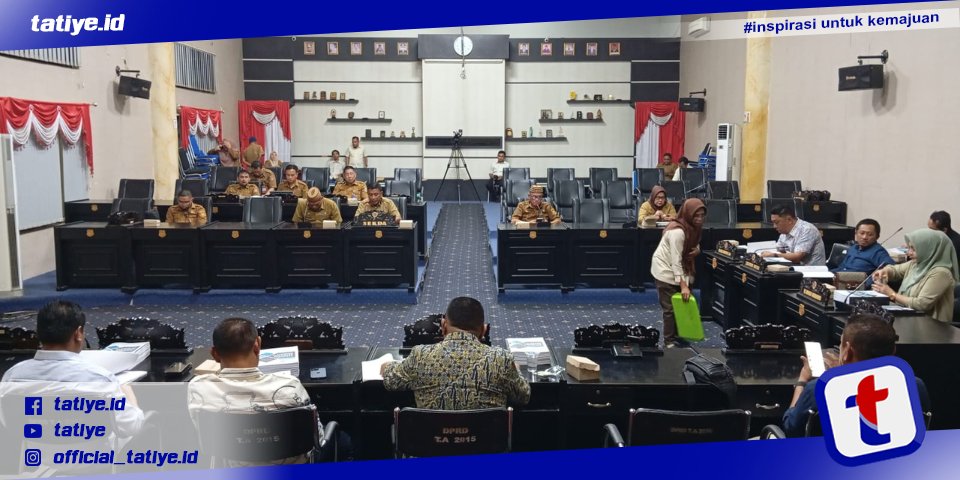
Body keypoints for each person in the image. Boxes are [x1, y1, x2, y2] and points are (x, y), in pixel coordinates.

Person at [1, 301, 145, 439]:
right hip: (95, 454)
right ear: (78, 333)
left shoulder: (11, 377)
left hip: (35, 453)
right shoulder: (100, 380)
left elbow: (8, 423)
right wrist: (129, 395)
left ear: (38, 333)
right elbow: (130, 427)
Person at [187, 318, 312, 466]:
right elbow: (315, 436)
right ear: (257, 346)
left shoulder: (199, 387)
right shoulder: (290, 386)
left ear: (214, 354)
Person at [782, 313, 930, 437]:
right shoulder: (915, 385)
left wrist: (802, 381)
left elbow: (790, 429)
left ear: (847, 351)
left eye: (840, 344)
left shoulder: (818, 389)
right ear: (893, 351)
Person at [381, 297, 530, 410]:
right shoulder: (502, 359)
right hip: (486, 441)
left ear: (443, 326)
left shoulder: (420, 355)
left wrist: (387, 366)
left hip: (431, 441)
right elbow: (523, 396)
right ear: (484, 330)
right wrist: (515, 369)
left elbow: (391, 381)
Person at [871, 228, 959, 322]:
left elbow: (921, 304)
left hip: (930, 325)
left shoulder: (941, 273)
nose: (908, 253)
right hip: (909, 318)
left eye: (913, 249)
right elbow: (896, 270)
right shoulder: (917, 264)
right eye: (909, 248)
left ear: (929, 250)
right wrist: (884, 271)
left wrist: (892, 294)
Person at [650, 199, 706, 347]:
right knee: (670, 308)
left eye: (702, 215)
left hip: (682, 267)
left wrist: (697, 250)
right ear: (688, 214)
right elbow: (676, 261)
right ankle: (669, 341)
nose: (700, 219)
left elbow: (694, 243)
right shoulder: (677, 231)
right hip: (665, 269)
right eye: (696, 215)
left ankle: (678, 335)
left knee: (682, 304)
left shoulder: (693, 227)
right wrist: (683, 286)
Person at [761, 205, 826, 266]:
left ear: (789, 220)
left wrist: (774, 255)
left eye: (777, 222)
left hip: (811, 271)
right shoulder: (784, 231)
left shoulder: (807, 229)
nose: (774, 226)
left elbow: (797, 257)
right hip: (794, 268)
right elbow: (779, 250)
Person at [830, 218, 894, 276]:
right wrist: (828, 274)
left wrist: (868, 283)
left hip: (855, 283)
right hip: (838, 279)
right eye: (862, 233)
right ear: (856, 233)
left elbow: (892, 268)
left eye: (870, 234)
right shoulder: (853, 248)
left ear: (877, 237)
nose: (864, 237)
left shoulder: (878, 252)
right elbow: (842, 268)